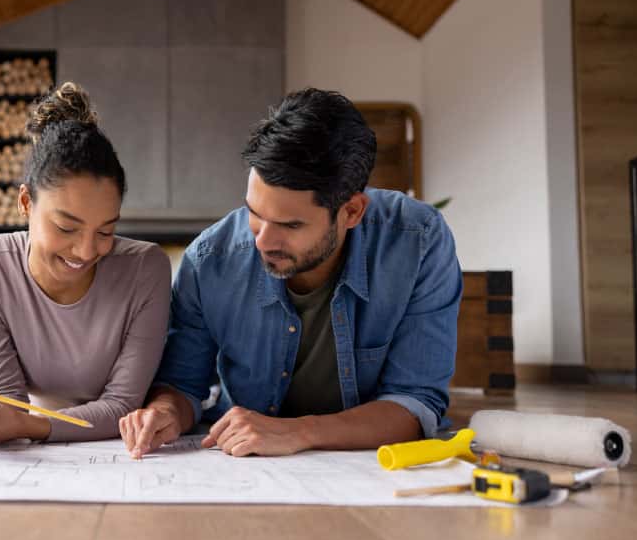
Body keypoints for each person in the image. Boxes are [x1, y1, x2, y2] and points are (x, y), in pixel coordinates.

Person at [119, 87, 462, 458]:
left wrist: (299, 432)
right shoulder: (210, 259)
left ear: (351, 212)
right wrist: (163, 413)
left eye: (290, 225)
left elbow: (415, 402)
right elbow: (182, 384)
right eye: (254, 213)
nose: (263, 241)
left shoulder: (417, 242)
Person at [0, 82, 171, 448]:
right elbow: (7, 402)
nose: (85, 251)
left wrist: (22, 426)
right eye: (66, 227)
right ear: (24, 203)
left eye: (106, 231)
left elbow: (123, 406)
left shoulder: (146, 267)